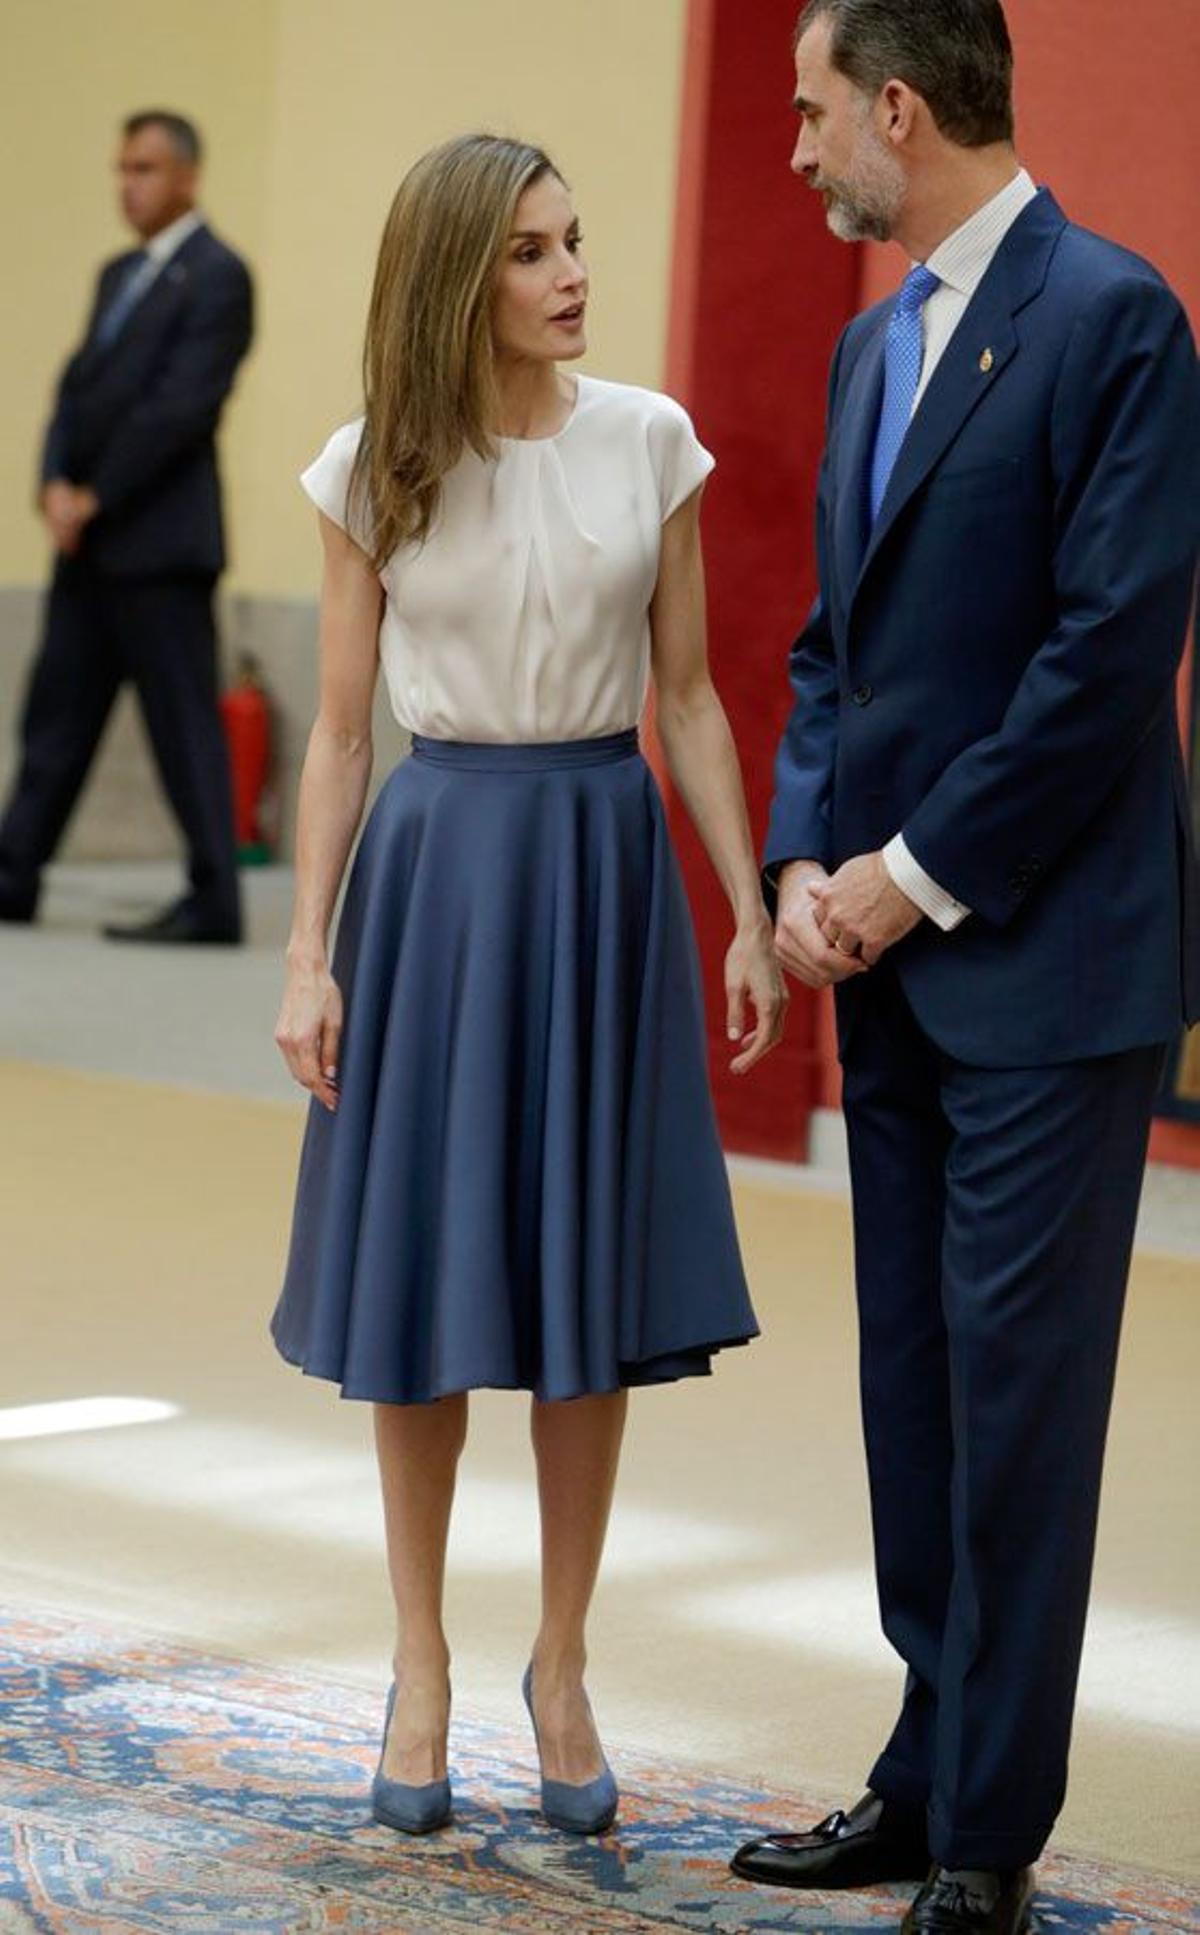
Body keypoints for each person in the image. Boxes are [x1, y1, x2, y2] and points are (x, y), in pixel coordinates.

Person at [730, 3, 1200, 1931]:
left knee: (1017, 1412)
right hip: (887, 958)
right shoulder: (868, 344)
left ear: (899, 109)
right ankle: (922, 1781)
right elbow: (836, 648)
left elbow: (1108, 660)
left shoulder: (1117, 320)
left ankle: (992, 1837)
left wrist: (907, 879)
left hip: (1044, 966)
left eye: (812, 110)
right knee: (913, 1393)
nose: (796, 148)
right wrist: (798, 860)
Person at [270, 133, 784, 1838]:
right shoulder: (371, 468)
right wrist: (308, 951)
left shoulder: (653, 443)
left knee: (587, 1302)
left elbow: (692, 699)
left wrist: (746, 909)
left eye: (576, 243)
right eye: (533, 255)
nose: (574, 276)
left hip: (601, 862)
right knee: (422, 1296)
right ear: (455, 284)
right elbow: (340, 733)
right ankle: (418, 1660)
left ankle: (559, 1660)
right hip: (437, 874)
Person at [0, 111, 253, 944]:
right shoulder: (116, 274)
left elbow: (180, 406)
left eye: (143, 168)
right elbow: (73, 391)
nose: (127, 184)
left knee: (183, 726)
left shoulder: (218, 275)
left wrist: (96, 493)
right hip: (88, 544)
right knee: (53, 717)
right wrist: (51, 484)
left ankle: (214, 898)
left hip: (161, 546)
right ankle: (15, 874)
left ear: (186, 175)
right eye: (121, 169)